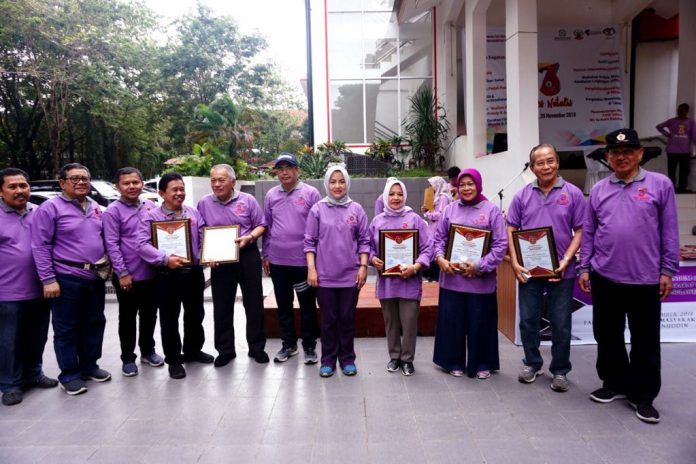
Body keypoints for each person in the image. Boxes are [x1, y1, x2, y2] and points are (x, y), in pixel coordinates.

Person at [579, 128, 679, 424]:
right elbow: (590, 232)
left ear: (639, 154)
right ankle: (615, 383)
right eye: (615, 153)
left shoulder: (660, 185)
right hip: (605, 275)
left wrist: (668, 270)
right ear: (608, 157)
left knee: (645, 340)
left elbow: (670, 231)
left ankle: (643, 395)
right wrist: (585, 267)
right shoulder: (599, 190)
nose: (621, 157)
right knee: (607, 335)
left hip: (645, 278)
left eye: (627, 152)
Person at [506, 144, 585, 392]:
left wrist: (565, 261)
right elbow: (510, 228)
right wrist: (516, 262)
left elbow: (581, 230)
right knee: (528, 320)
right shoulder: (521, 196)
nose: (546, 166)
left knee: (560, 323)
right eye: (540, 163)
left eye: (550, 161)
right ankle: (532, 363)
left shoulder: (573, 194)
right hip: (529, 271)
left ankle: (560, 370)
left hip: (561, 270)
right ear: (532, 168)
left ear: (557, 162)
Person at [31, 163, 111, 395]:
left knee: (94, 323)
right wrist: (48, 279)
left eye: (84, 178)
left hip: (94, 276)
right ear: (62, 182)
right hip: (66, 278)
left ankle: (89, 366)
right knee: (66, 328)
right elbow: (40, 245)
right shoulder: (49, 208)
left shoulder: (95, 207)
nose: (81, 182)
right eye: (74, 178)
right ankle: (70, 374)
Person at [432, 169, 506, 379]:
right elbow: (439, 240)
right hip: (452, 279)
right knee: (452, 323)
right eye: (462, 184)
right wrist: (440, 259)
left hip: (480, 283)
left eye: (470, 184)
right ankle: (453, 360)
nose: (466, 188)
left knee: (481, 322)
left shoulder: (491, 211)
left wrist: (480, 266)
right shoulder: (450, 210)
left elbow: (501, 245)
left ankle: (481, 362)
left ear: (478, 185)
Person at [138, 172, 213, 379]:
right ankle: (173, 359)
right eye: (174, 190)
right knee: (169, 318)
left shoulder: (193, 213)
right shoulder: (151, 217)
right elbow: (141, 245)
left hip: (193, 273)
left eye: (182, 189)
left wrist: (209, 254)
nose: (179, 193)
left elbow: (203, 236)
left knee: (195, 314)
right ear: (162, 193)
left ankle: (193, 350)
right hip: (167, 275)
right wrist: (164, 259)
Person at [198, 164, 269, 366]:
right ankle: (225, 350)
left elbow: (262, 224)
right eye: (213, 180)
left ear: (233, 182)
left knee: (253, 303)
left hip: (247, 254)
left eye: (221, 180)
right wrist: (206, 253)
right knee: (222, 305)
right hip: (219, 260)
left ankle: (257, 348)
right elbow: (199, 231)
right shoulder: (204, 203)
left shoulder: (247, 200)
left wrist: (250, 237)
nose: (217, 184)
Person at [304, 165, 370, 377]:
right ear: (326, 184)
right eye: (333, 181)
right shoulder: (317, 209)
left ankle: (347, 359)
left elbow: (364, 241)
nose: (337, 186)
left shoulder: (356, 209)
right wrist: (312, 270)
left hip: (350, 276)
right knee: (328, 320)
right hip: (324, 277)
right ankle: (328, 359)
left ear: (347, 183)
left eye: (341, 181)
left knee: (347, 319)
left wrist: (363, 267)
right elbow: (309, 242)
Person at [0, 168, 58, 406]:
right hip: (7, 292)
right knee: (8, 341)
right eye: (12, 186)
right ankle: (10, 384)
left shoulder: (39, 213)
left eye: (23, 186)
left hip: (41, 289)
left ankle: (34, 373)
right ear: (1, 191)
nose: (20, 191)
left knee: (37, 336)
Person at [103, 167, 164, 377]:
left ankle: (148, 351)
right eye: (126, 183)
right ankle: (128, 358)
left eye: (135, 182)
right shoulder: (112, 211)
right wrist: (122, 273)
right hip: (128, 275)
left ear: (142, 183)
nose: (131, 187)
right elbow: (111, 244)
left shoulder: (151, 205)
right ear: (117, 186)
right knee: (127, 318)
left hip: (152, 273)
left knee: (149, 315)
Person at [368, 178, 431, 376]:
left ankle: (407, 359)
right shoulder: (377, 221)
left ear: (405, 196)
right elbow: (366, 246)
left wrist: (416, 266)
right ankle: (394, 357)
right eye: (392, 194)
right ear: (385, 196)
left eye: (400, 194)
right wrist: (372, 258)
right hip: (387, 282)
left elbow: (428, 248)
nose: (396, 198)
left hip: (409, 281)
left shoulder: (415, 220)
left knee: (410, 321)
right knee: (391, 322)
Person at [262, 153, 320, 364]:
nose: (284, 172)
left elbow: (317, 228)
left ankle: (310, 346)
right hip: (278, 261)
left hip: (303, 262)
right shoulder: (271, 195)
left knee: (307, 306)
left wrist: (315, 262)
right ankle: (289, 345)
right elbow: (266, 227)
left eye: (289, 167)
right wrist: (266, 255)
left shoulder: (311, 193)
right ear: (276, 172)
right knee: (283, 305)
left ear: (297, 170)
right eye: (280, 168)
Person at [656, 103, 695, 193]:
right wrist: (667, 134)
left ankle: (682, 188)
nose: (680, 112)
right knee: (672, 171)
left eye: (682, 110)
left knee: (684, 171)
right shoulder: (672, 121)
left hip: (685, 151)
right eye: (679, 110)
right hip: (672, 150)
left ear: (687, 111)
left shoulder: (691, 122)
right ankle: (672, 188)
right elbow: (659, 126)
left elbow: (693, 136)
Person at [421, 176, 451, 282]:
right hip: (433, 227)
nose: (430, 188)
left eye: (431, 185)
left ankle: (435, 275)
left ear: (437, 185)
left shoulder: (443, 197)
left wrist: (428, 213)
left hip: (438, 227)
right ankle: (432, 275)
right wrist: (426, 209)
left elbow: (441, 214)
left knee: (436, 249)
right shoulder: (437, 197)